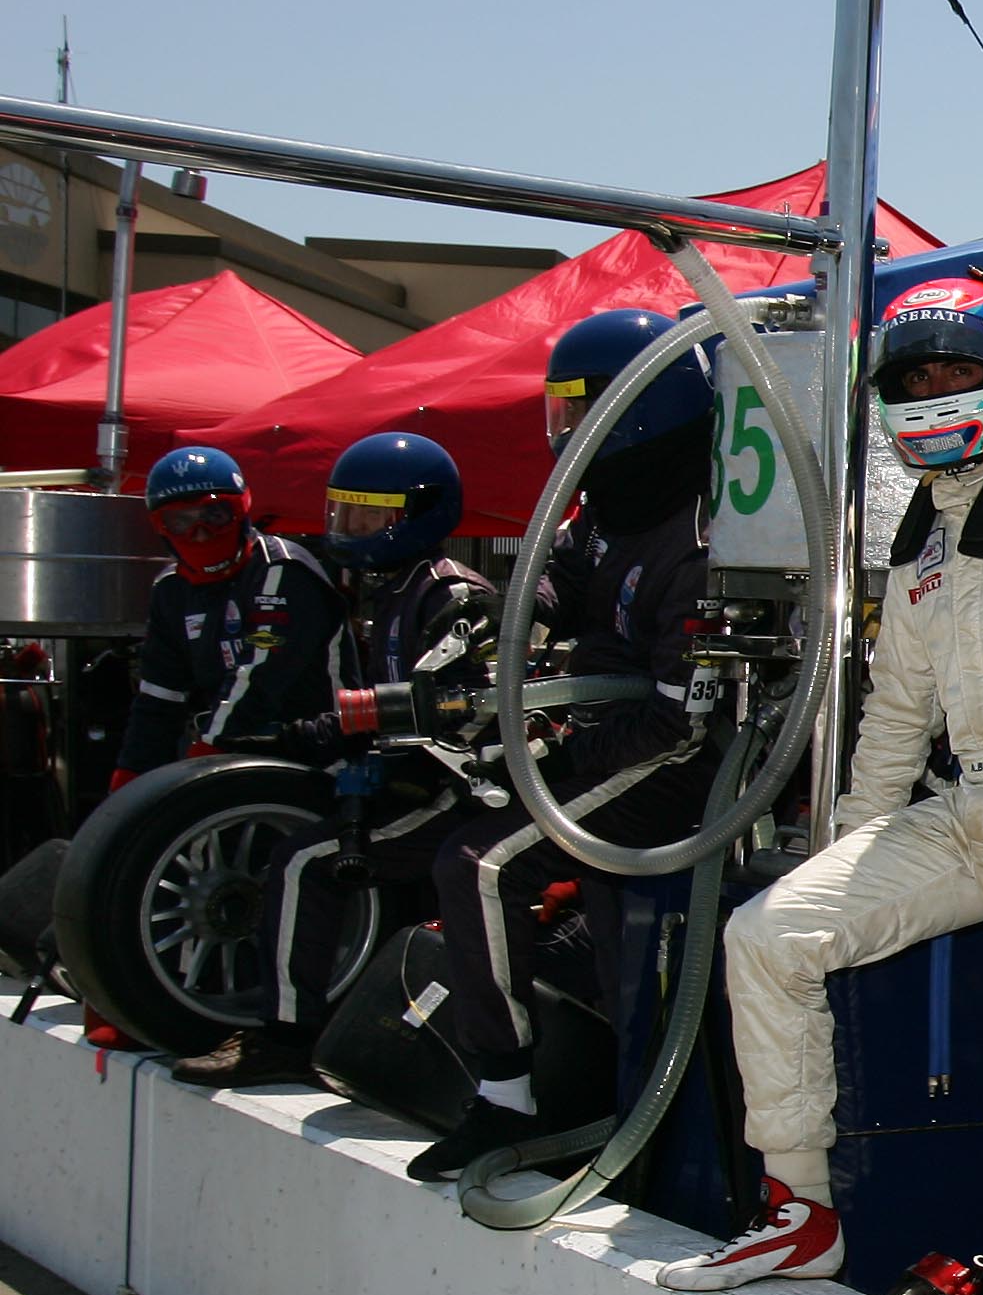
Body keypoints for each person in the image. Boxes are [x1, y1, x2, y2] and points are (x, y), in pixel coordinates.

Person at [689, 278, 983, 1293]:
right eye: (917, 376)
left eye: (956, 371)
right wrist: (850, 848)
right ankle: (800, 1211)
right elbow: (896, 720)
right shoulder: (924, 543)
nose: (936, 390)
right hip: (963, 807)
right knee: (766, 936)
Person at [397, 311, 725, 1183]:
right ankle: (631, 1125)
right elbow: (566, 569)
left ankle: (505, 1100)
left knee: (481, 862)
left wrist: (553, 764)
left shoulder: (697, 536)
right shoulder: (618, 504)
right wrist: (518, 607)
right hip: (615, 746)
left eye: (578, 410)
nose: (565, 431)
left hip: (683, 763)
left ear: (638, 408)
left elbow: (677, 723)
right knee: (619, 957)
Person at [173, 432, 498, 1088]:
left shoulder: (454, 595)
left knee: (303, 862)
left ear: (419, 514)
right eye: (344, 513)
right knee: (308, 822)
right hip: (408, 780)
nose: (349, 529)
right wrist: (299, 740)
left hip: (464, 793)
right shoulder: (395, 589)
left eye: (369, 516)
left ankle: (287, 1038)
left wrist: (323, 728)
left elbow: (462, 710)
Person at [116, 445, 344, 788]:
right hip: (225, 755)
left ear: (242, 509)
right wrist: (131, 772)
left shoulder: (282, 570)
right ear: (161, 527)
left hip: (317, 754)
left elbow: (261, 675)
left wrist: (208, 750)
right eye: (181, 521)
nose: (201, 534)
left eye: (215, 515)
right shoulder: (171, 589)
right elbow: (160, 694)